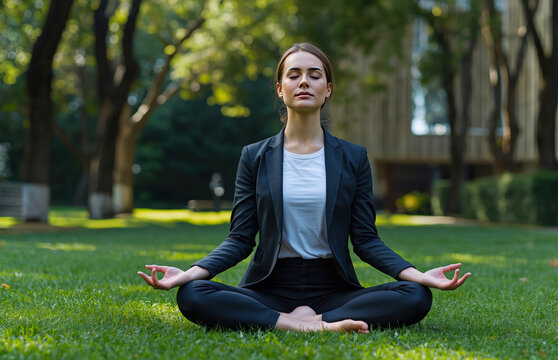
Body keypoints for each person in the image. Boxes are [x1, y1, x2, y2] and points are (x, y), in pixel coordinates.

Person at [138, 43, 470, 333]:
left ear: (328, 88)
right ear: (280, 88)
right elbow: (240, 240)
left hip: (333, 288)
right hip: (269, 285)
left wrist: (417, 275)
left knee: (414, 296)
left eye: (314, 74)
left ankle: (310, 318)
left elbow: (366, 240)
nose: (304, 81)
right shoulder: (254, 156)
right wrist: (190, 273)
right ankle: (299, 323)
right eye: (294, 74)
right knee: (194, 294)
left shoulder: (353, 157)